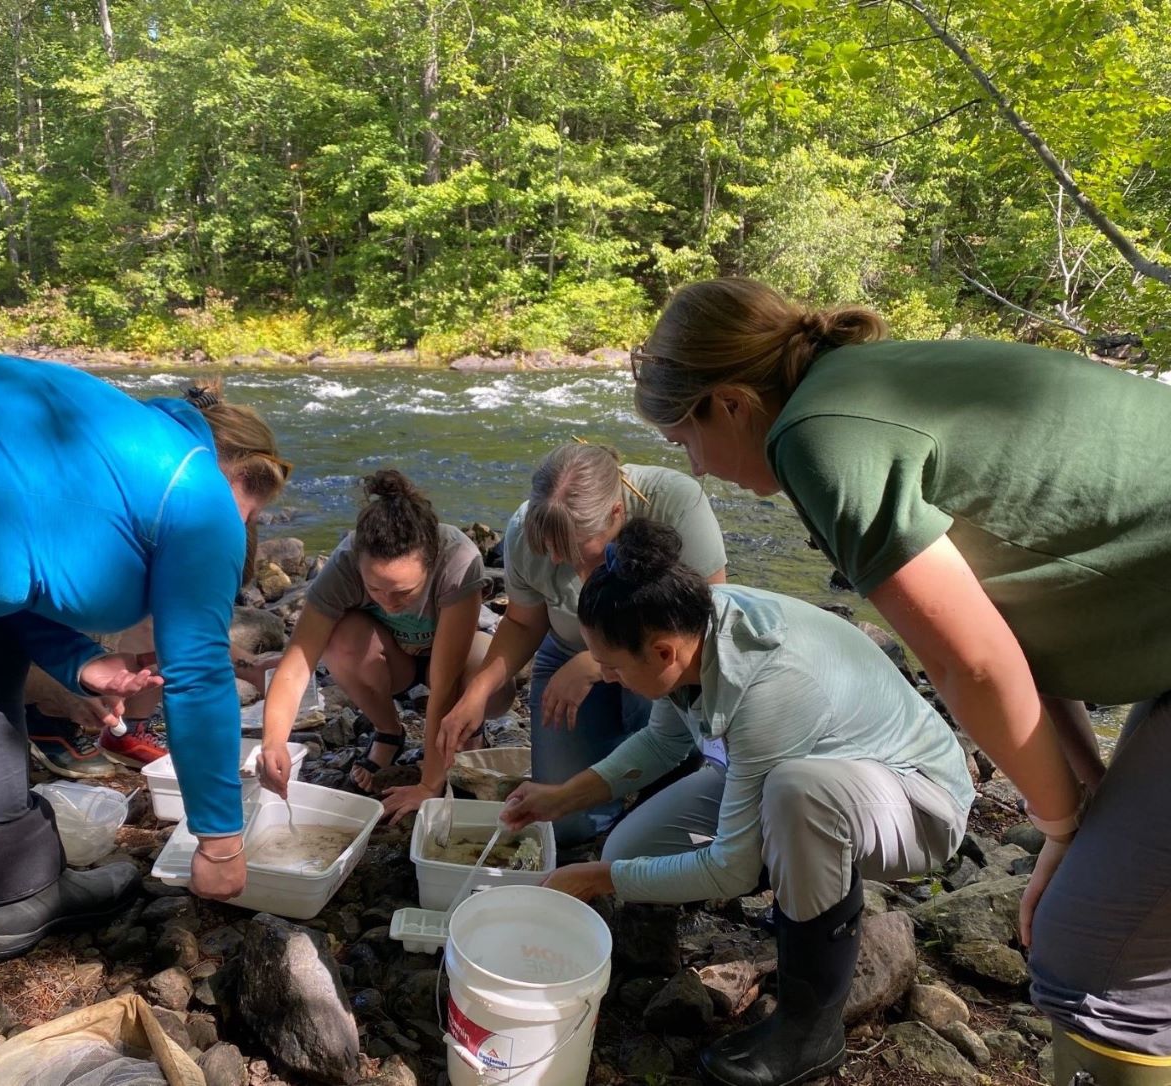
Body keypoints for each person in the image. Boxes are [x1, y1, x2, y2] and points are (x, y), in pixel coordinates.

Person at [628, 276, 1171, 1081]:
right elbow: (1004, 626)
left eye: (683, 442)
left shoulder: (819, 439)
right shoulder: (866, 387)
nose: (696, 472)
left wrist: (1059, 827)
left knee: (1092, 955)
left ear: (733, 403)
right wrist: (1078, 796)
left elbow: (969, 663)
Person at [502, 519, 973, 1086]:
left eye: (612, 665)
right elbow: (663, 740)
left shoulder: (773, 683)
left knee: (796, 796)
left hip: (915, 799)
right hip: (800, 770)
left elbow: (730, 867)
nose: (604, 676)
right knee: (633, 846)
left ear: (661, 651)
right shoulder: (686, 621)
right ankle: (786, 868)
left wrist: (599, 879)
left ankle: (810, 1030)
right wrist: (563, 797)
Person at [0, 355, 290, 962]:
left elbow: (0, 580)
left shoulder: (113, 435)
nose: (237, 530)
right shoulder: (198, 496)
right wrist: (220, 844)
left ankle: (13, 887)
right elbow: (196, 677)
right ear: (238, 473)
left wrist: (80, 662)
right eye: (244, 516)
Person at [439, 442, 727, 845]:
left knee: (658, 784)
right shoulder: (527, 529)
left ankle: (662, 797)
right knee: (564, 826)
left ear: (617, 514)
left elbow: (708, 626)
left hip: (660, 660)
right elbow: (522, 624)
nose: (562, 562)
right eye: (551, 550)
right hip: (567, 649)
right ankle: (613, 803)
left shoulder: (675, 503)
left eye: (578, 552)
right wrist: (477, 693)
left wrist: (596, 664)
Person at [258, 470, 513, 819]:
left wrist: (428, 785)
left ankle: (469, 730)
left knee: (493, 683)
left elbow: (444, 683)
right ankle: (389, 732)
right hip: (393, 658)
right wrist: (274, 742)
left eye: (403, 592)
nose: (389, 602)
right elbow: (297, 663)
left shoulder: (458, 558)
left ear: (430, 561)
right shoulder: (345, 562)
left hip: (455, 655)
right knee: (340, 641)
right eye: (375, 590)